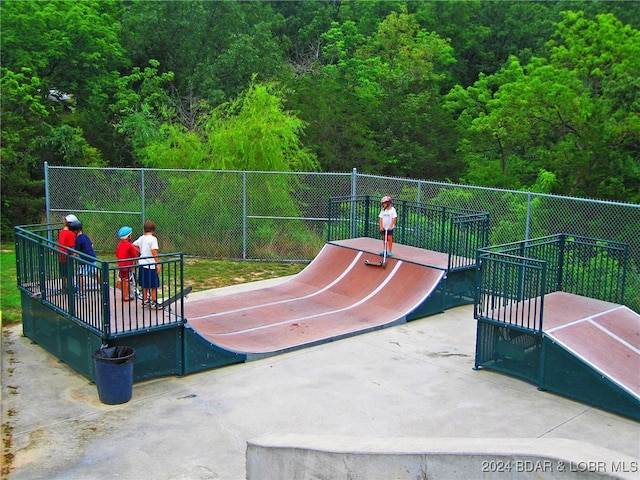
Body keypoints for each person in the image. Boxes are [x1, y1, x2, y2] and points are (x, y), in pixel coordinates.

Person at [133, 220, 161, 309]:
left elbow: (133, 245)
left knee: (144, 284)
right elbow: (154, 251)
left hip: (142, 263)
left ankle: (145, 300)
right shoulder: (153, 239)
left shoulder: (141, 238)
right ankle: (154, 301)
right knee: (153, 284)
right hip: (150, 264)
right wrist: (157, 263)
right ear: (153, 229)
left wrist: (141, 252)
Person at [68, 220, 100, 298]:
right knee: (95, 272)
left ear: (75, 231)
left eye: (72, 231)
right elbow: (92, 245)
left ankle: (81, 292)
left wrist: (70, 255)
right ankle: (102, 287)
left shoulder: (78, 239)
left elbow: (75, 253)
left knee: (80, 275)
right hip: (92, 257)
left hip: (85, 260)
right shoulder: (85, 236)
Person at [115, 226, 140, 301]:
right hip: (128, 266)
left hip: (120, 266)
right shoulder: (130, 245)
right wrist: (136, 262)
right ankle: (125, 296)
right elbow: (134, 256)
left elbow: (117, 254)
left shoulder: (119, 245)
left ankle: (123, 294)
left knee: (122, 280)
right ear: (128, 236)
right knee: (126, 280)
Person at [57, 214, 78, 291]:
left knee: (63, 272)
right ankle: (69, 287)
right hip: (67, 255)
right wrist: (74, 254)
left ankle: (64, 287)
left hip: (61, 254)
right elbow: (72, 245)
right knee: (69, 272)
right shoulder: (70, 233)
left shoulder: (62, 231)